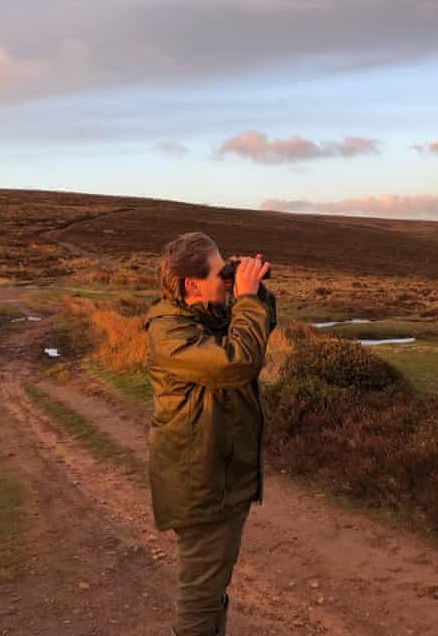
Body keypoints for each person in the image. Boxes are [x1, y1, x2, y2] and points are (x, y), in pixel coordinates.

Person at [143, 232, 276, 636]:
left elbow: (258, 328)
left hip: (217, 477)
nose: (227, 281)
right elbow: (239, 361)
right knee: (200, 599)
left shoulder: (202, 317)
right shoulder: (170, 333)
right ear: (190, 284)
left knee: (212, 590)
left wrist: (254, 290)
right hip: (201, 485)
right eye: (220, 274)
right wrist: (247, 299)